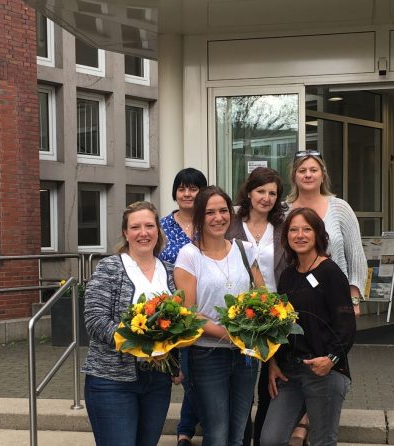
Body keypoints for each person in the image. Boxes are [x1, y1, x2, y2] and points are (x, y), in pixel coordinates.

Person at [82, 201, 181, 446]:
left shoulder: (170, 272)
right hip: (111, 380)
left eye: (149, 226)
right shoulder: (110, 268)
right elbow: (95, 320)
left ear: (158, 230)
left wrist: (176, 361)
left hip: (157, 381)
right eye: (135, 227)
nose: (143, 233)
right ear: (126, 233)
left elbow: (178, 323)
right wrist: (138, 341)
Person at [174, 186, 265, 446]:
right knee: (217, 432)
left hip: (246, 355)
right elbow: (189, 315)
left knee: (238, 432)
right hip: (207, 355)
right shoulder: (189, 256)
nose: (218, 217)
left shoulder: (246, 250)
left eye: (223, 210)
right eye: (210, 212)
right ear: (200, 217)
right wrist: (232, 335)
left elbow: (262, 296)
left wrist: (259, 328)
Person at [260, 208, 356, 446]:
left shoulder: (330, 272)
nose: (299, 235)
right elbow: (279, 325)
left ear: (318, 235)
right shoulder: (288, 276)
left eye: (306, 229)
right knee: (270, 440)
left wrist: (331, 359)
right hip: (289, 372)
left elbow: (347, 326)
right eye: (293, 230)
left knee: (322, 441)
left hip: (323, 369)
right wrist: (272, 362)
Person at [226, 167, 288, 446]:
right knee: (241, 386)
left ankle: (262, 437)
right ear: (249, 192)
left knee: (270, 385)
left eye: (272, 193)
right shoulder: (230, 224)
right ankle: (241, 437)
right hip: (241, 315)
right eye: (261, 191)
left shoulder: (284, 227)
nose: (266, 198)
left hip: (278, 315)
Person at [158, 167, 207, 446]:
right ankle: (187, 428)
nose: (187, 194)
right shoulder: (162, 226)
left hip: (209, 308)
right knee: (184, 369)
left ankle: (185, 430)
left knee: (196, 370)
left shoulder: (212, 222)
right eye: (182, 188)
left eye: (193, 188)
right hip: (172, 311)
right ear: (175, 192)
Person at [287, 150, 367, 315]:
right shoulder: (283, 212)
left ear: (323, 176)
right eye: (302, 171)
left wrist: (354, 298)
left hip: (336, 297)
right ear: (294, 176)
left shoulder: (340, 208)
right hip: (294, 299)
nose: (308, 175)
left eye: (313, 170)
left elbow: (356, 256)